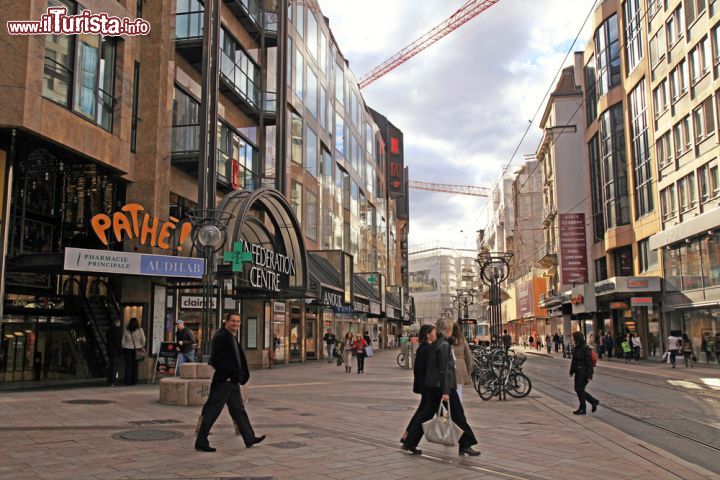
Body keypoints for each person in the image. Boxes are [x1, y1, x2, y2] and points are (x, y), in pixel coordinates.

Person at [404, 317, 480, 456]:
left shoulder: (435, 344)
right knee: (458, 415)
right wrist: (446, 391)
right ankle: (466, 444)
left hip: (433, 386)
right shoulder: (444, 345)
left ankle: (410, 441)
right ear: (448, 330)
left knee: (425, 414)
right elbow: (444, 369)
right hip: (444, 387)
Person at [195, 313, 265, 452]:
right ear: (226, 322)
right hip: (224, 380)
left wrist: (239, 375)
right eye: (233, 321)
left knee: (238, 410)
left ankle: (249, 437)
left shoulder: (231, 336)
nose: (235, 324)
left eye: (238, 321)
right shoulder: (221, 337)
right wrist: (227, 375)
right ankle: (201, 441)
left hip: (232, 381)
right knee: (213, 410)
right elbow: (215, 359)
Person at [400, 324, 436, 453]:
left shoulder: (424, 348)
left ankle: (407, 436)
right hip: (428, 386)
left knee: (421, 412)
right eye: (433, 332)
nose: (435, 334)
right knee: (424, 414)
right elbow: (421, 369)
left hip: (425, 386)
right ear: (427, 334)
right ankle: (410, 440)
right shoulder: (427, 349)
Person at [569, 331, 599, 415]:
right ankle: (593, 401)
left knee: (579, 389)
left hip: (584, 372)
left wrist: (589, 375)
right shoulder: (576, 348)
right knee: (578, 389)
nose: (573, 339)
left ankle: (583, 408)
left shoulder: (585, 348)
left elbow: (589, 363)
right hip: (578, 372)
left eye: (574, 338)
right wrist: (571, 371)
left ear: (577, 339)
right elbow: (574, 361)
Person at [121, 317, 146, 386]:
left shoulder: (126, 330)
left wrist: (124, 346)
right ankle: (134, 381)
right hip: (137, 349)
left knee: (128, 366)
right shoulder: (140, 330)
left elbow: (122, 341)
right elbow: (144, 339)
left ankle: (127, 382)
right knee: (135, 366)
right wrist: (142, 346)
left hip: (127, 349)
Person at [451, 323, 473, 401]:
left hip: (450, 365)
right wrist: (469, 369)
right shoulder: (462, 340)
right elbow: (468, 355)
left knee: (449, 389)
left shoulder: (447, 340)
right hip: (461, 365)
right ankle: (458, 407)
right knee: (459, 389)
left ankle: (448, 409)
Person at [106, 318, 123, 386]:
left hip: (110, 351)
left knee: (111, 366)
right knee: (115, 367)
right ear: (117, 323)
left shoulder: (109, 330)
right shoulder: (117, 331)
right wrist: (120, 351)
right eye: (119, 322)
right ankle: (114, 381)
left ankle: (109, 380)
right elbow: (117, 342)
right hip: (115, 352)